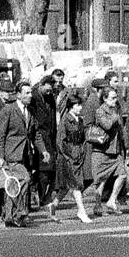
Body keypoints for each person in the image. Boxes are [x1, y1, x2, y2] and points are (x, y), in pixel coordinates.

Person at [0, 81, 50, 228]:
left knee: (14, 184)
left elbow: (35, 134)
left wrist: (43, 150)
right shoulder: (8, 110)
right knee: (24, 179)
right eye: (27, 93)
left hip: (25, 155)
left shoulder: (30, 111)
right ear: (18, 95)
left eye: (31, 92)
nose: (30, 96)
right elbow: (0, 135)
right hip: (11, 155)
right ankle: (20, 213)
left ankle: (9, 216)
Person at [88, 86, 129, 217]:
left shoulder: (116, 110)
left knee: (122, 174)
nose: (115, 100)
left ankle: (112, 200)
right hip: (102, 150)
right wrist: (115, 117)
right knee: (101, 179)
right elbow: (106, 125)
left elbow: (122, 130)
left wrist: (126, 146)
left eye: (116, 97)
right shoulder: (100, 111)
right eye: (112, 98)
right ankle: (97, 205)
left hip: (115, 150)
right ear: (105, 99)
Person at [52, 95, 92, 223]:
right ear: (70, 106)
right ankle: (81, 211)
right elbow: (60, 141)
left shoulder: (79, 120)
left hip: (78, 156)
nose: (80, 108)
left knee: (66, 186)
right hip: (68, 158)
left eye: (80, 105)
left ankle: (53, 205)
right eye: (77, 105)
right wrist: (68, 156)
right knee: (76, 185)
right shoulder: (65, 120)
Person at [29, 76, 58, 210]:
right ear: (41, 85)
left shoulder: (50, 97)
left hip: (50, 137)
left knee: (50, 171)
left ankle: (43, 196)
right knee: (43, 171)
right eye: (47, 89)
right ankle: (39, 194)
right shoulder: (33, 97)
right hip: (39, 137)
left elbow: (52, 118)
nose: (49, 92)